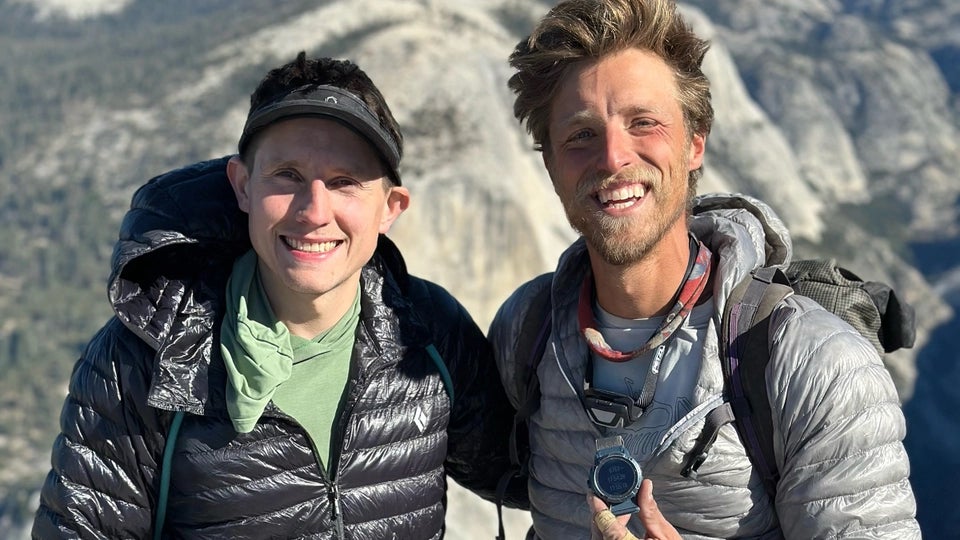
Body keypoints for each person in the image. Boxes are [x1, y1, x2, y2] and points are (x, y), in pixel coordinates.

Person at [32, 52, 523, 538]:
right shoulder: (146, 357)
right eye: (287, 175)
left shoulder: (430, 332)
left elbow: (530, 475)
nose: (313, 211)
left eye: (344, 182)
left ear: (390, 208)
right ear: (242, 186)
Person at [489, 0, 921, 538]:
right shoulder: (524, 334)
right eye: (580, 135)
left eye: (643, 123)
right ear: (550, 164)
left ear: (695, 144)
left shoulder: (814, 364)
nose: (613, 157)